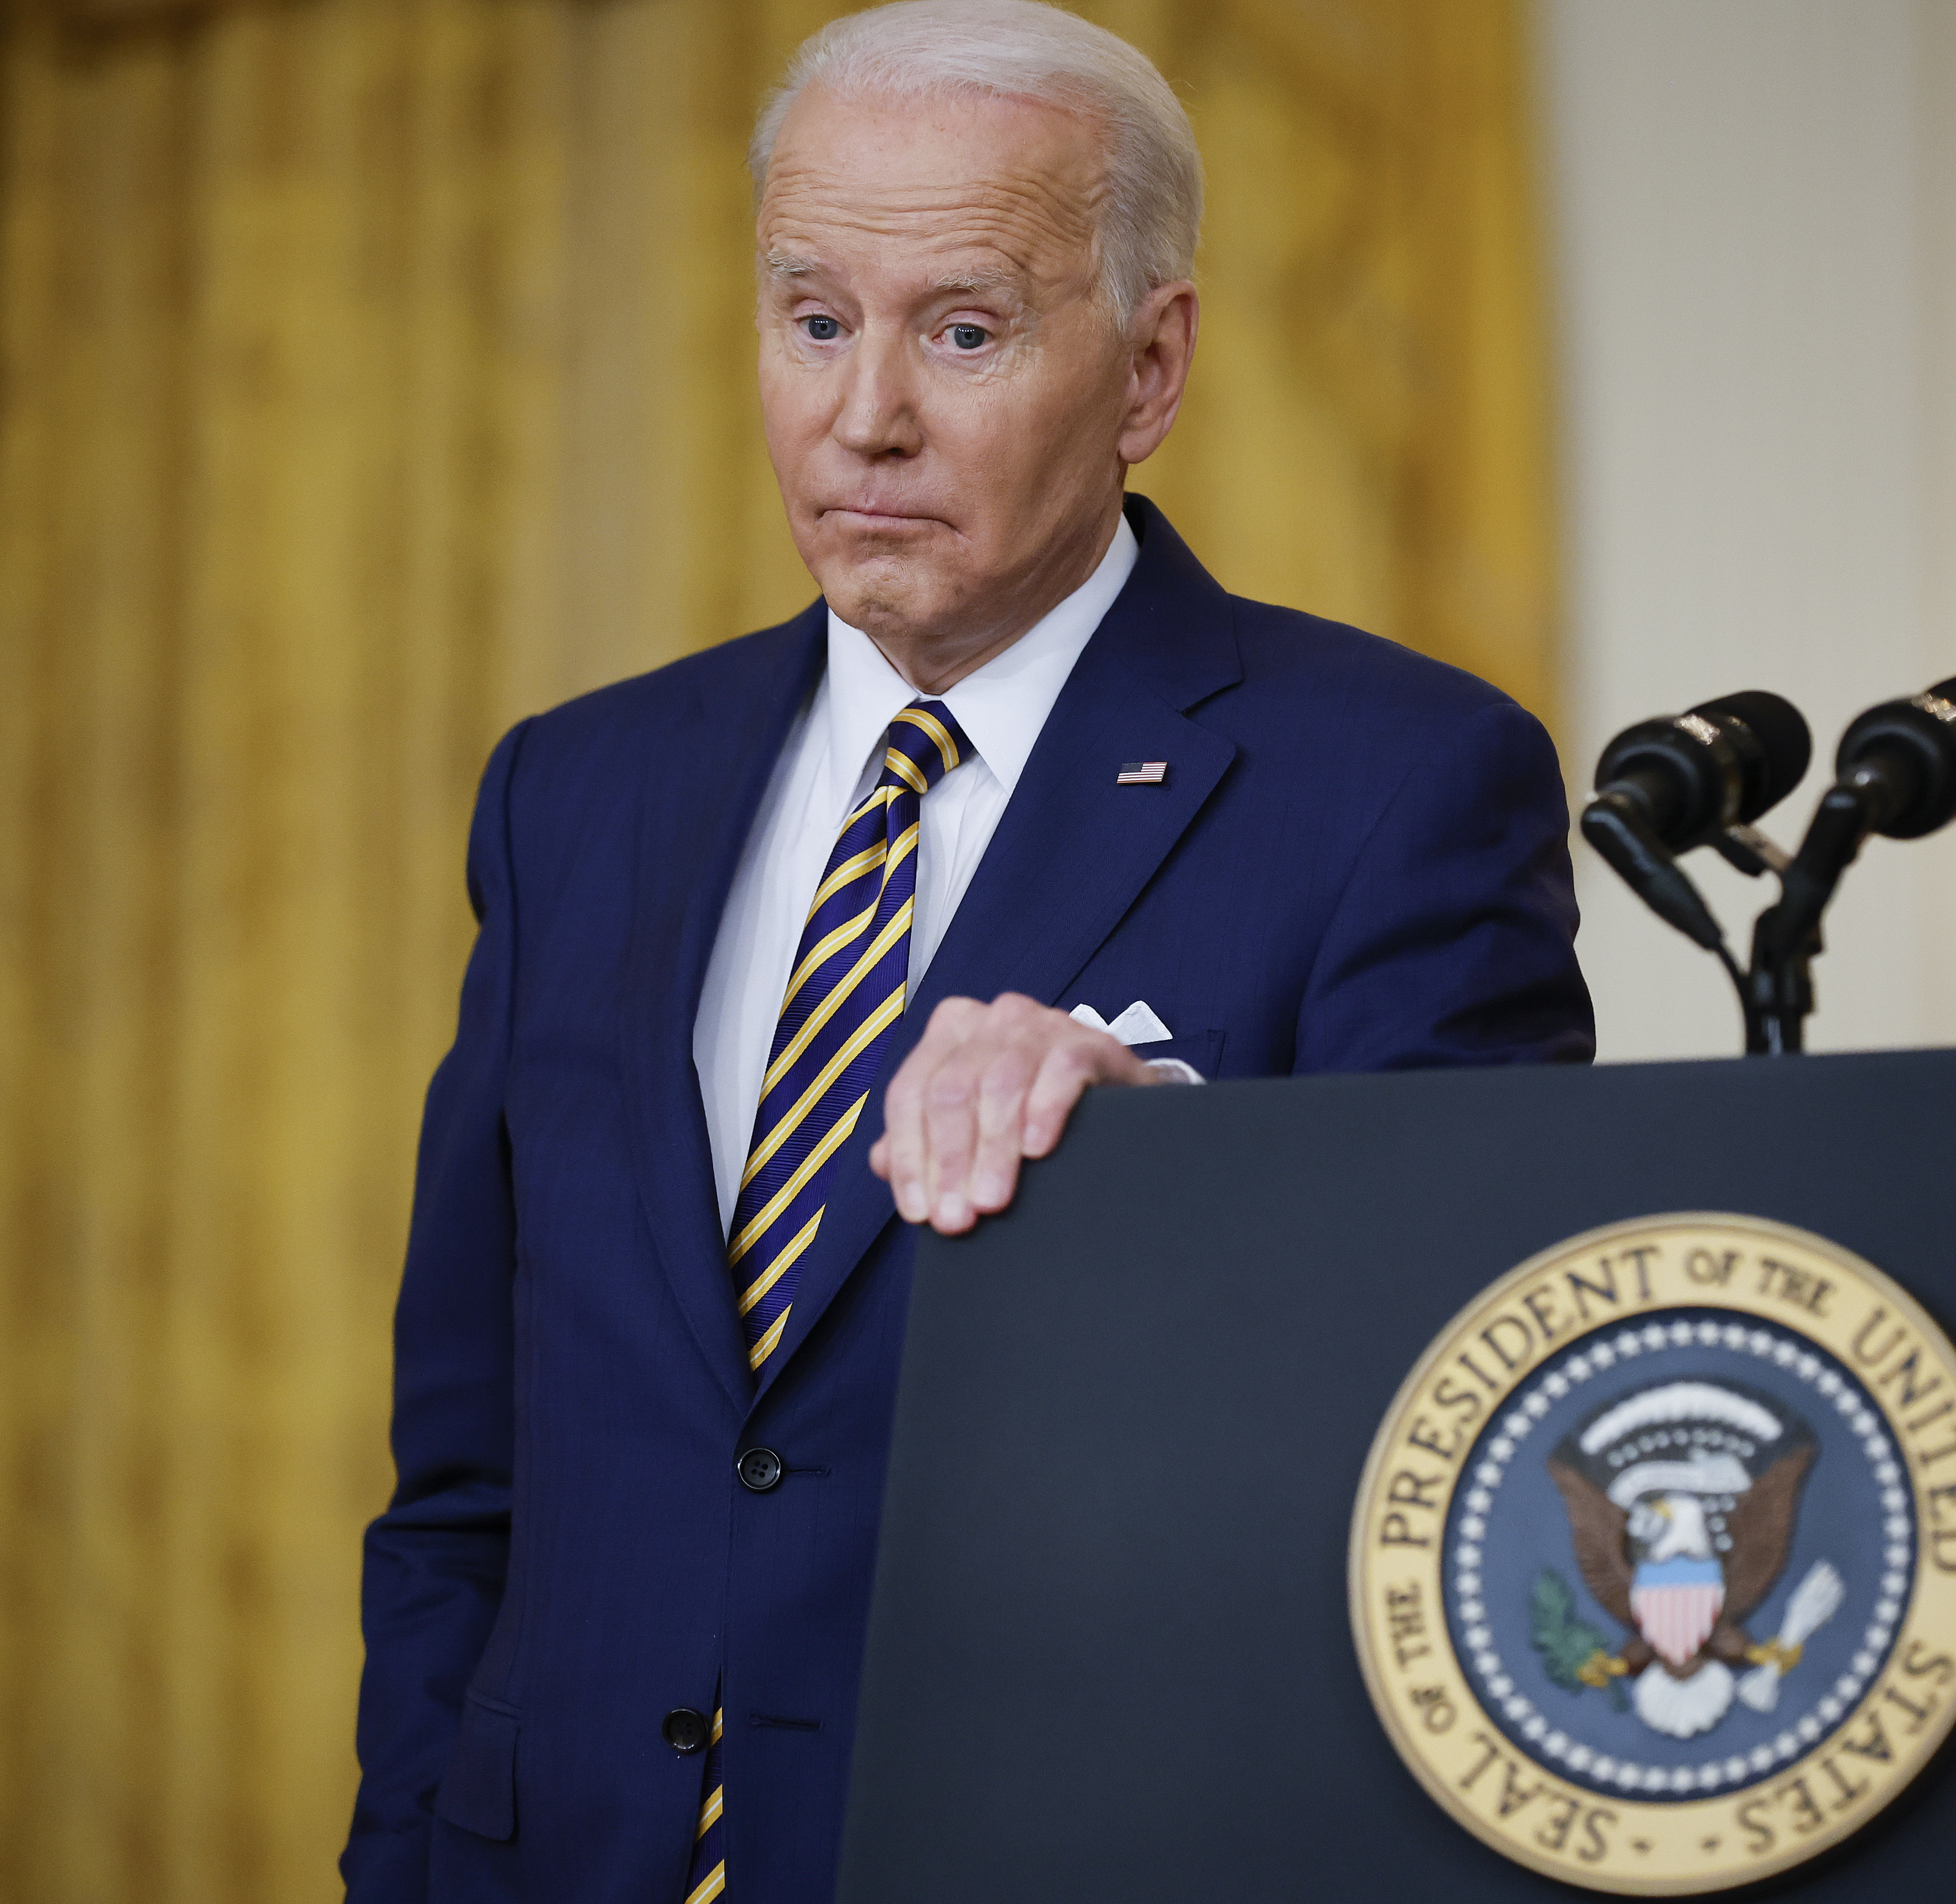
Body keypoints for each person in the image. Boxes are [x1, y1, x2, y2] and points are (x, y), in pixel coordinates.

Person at [341, 3, 1591, 1899]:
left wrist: (1159, 1183)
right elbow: (469, 1490)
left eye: (965, 328)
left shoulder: (1401, 788)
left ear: (1149, 368)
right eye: (814, 318)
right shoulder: (571, 795)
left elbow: (1453, 1468)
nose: (866, 415)